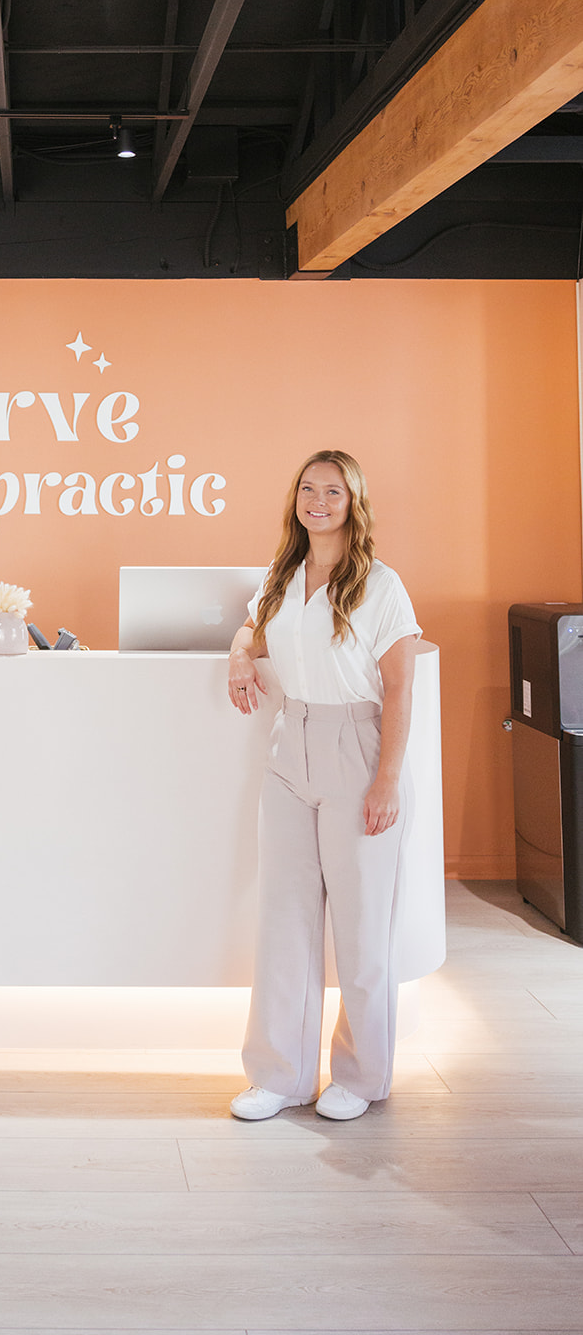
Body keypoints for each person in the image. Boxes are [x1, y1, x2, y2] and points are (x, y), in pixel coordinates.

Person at [226, 450, 419, 1122]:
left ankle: (361, 1077)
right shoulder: (281, 575)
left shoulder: (379, 585)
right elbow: (253, 626)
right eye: (307, 489)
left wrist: (385, 781)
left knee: (361, 925)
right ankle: (279, 1076)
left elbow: (399, 687)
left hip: (357, 749)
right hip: (290, 749)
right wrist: (237, 658)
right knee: (283, 918)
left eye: (331, 491)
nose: (317, 500)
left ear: (352, 502)